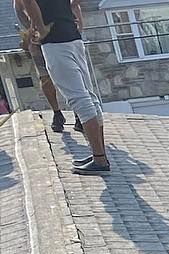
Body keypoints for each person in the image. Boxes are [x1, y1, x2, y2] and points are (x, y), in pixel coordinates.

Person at [14, 0, 109, 174]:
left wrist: (40, 28)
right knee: (89, 95)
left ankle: (100, 159)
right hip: (73, 36)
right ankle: (100, 155)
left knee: (79, 99)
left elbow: (27, 2)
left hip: (55, 41)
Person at [19, 23, 79, 134]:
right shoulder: (20, 6)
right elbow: (25, 24)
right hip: (37, 43)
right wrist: (28, 37)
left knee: (68, 75)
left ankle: (79, 113)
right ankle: (57, 114)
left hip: (57, 37)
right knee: (45, 79)